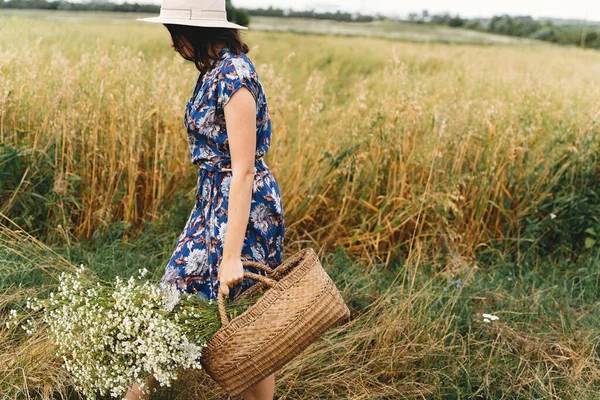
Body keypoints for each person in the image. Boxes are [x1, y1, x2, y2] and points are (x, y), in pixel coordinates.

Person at [129, 1, 286, 399]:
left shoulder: (235, 75)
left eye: (173, 33)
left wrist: (232, 255)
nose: (171, 44)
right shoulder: (213, 73)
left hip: (245, 209)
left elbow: (244, 170)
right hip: (213, 204)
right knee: (217, 317)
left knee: (232, 322)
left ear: (192, 32)